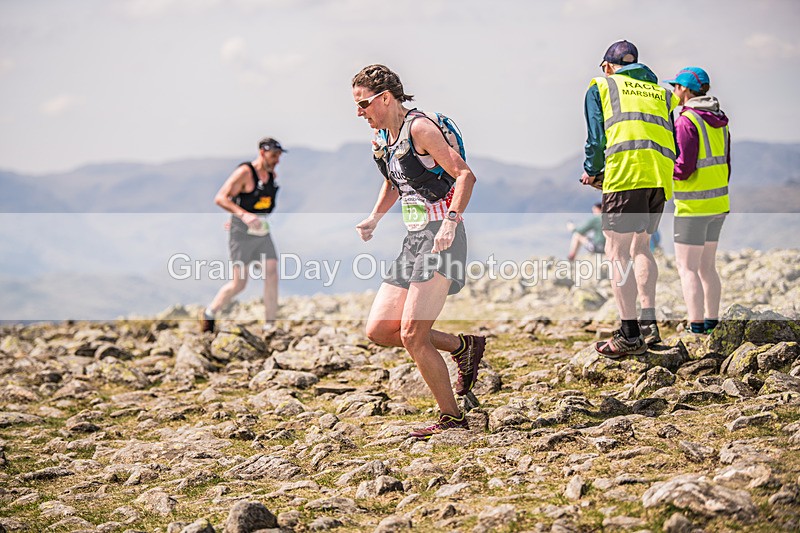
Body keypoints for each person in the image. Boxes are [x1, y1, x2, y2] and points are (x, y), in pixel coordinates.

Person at [351, 64, 485, 440]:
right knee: (380, 329)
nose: (358, 112)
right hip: (414, 240)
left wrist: (451, 221)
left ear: (385, 98)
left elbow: (465, 175)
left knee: (412, 334)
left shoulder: (420, 129)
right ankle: (463, 347)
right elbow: (396, 182)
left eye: (363, 103)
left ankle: (452, 418)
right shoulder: (383, 137)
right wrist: (374, 218)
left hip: (442, 237)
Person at [580, 40, 679, 357]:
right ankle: (648, 324)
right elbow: (671, 138)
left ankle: (629, 334)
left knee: (616, 252)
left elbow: (597, 139)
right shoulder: (662, 93)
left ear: (608, 66)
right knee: (642, 247)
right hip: (658, 176)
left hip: (626, 174)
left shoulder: (602, 86)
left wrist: (592, 172)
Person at [664, 67, 730, 334]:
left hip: (693, 207)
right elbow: (726, 162)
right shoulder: (720, 120)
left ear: (684, 89)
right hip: (718, 203)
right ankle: (712, 323)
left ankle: (696, 326)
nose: (673, 91)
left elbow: (684, 168)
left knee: (687, 268)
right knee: (707, 267)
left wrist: (664, 169)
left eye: (675, 87)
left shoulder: (686, 121)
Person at [200, 137, 286, 334]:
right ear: (262, 153)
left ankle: (270, 326)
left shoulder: (271, 176)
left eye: (279, 156)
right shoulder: (245, 173)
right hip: (241, 235)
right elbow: (220, 198)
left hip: (261, 232)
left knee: (272, 273)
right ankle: (210, 313)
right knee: (239, 284)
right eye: (274, 156)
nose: (277, 161)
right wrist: (243, 215)